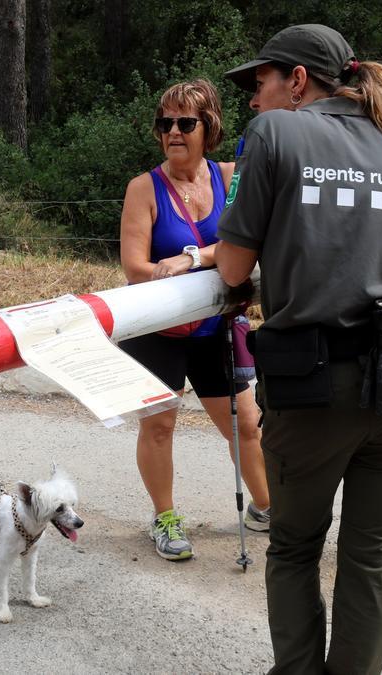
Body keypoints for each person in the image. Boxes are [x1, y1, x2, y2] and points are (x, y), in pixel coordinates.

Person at [216, 25, 382, 674]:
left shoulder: (274, 136)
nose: (254, 100)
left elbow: (232, 268)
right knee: (371, 557)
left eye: (260, 83)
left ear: (299, 80)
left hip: (319, 388)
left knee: (293, 549)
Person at [118, 79, 271, 562]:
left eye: (186, 123)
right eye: (166, 124)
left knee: (245, 424)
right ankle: (164, 518)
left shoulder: (232, 176)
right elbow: (136, 269)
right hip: (157, 332)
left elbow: (252, 239)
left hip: (217, 327)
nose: (174, 133)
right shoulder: (143, 188)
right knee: (160, 426)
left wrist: (193, 257)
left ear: (210, 128)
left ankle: (267, 508)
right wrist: (204, 259)